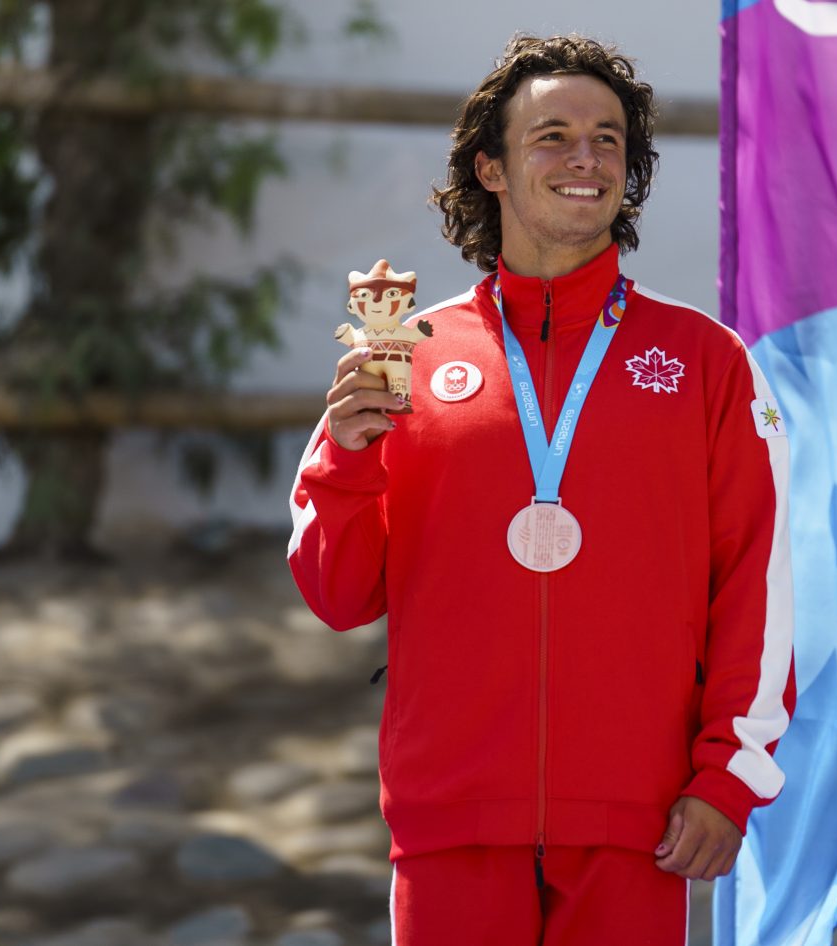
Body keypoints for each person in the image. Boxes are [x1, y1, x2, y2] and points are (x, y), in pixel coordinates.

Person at [287, 33, 795, 946]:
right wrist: (350, 462)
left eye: (608, 139)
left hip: (640, 823)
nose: (585, 159)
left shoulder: (706, 362)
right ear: (490, 166)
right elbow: (337, 592)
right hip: (451, 817)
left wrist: (728, 777)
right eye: (552, 136)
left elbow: (757, 583)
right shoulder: (401, 359)